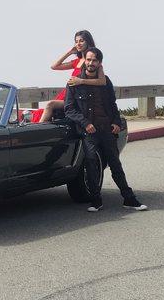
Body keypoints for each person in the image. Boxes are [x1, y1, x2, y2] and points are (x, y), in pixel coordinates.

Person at [64, 47, 148, 212]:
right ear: (84, 61)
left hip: (107, 130)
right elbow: (69, 109)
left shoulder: (105, 81)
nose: (90, 63)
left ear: (99, 63)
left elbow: (112, 104)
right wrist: (85, 123)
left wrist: (116, 121)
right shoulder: (74, 82)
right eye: (88, 59)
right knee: (91, 163)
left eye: (94, 60)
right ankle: (96, 200)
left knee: (115, 164)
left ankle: (129, 199)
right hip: (88, 131)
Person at [40, 30, 106, 123]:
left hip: (79, 98)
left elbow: (102, 81)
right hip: (68, 94)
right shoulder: (77, 61)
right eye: (76, 41)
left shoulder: (92, 62)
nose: (78, 44)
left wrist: (81, 81)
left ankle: (37, 130)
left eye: (81, 41)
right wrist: (70, 52)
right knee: (46, 110)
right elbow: (54, 66)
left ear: (88, 42)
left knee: (50, 104)